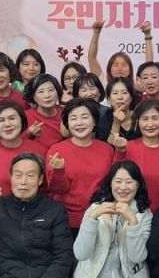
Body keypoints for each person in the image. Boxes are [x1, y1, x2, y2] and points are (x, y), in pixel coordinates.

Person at [46, 98, 117, 230]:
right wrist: (58, 171)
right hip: (65, 221)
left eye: (84, 117)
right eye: (73, 118)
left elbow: (113, 184)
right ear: (67, 123)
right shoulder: (56, 150)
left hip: (101, 218)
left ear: (94, 121)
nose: (79, 123)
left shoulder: (107, 149)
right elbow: (57, 189)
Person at [120, 100, 159, 210]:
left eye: (155, 118)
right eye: (145, 119)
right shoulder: (128, 148)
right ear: (137, 121)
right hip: (134, 212)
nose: (150, 124)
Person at [87, 19, 152, 83]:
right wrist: (96, 32)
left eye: (124, 65)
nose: (120, 68)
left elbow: (148, 65)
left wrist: (147, 35)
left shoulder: (137, 85)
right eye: (115, 65)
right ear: (110, 69)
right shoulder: (103, 83)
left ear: (130, 69)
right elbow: (91, 58)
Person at [23, 73, 65, 155]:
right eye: (41, 92)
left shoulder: (66, 113)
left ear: (57, 92)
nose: (47, 95)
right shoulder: (25, 116)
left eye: (51, 90)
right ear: (33, 97)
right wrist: (29, 134)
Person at [97, 76, 137, 145]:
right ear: (108, 98)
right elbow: (106, 148)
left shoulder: (139, 117)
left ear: (131, 97)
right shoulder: (103, 120)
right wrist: (116, 123)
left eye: (124, 93)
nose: (120, 97)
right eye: (115, 93)